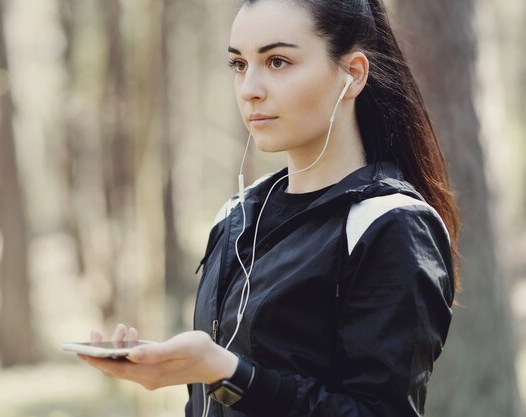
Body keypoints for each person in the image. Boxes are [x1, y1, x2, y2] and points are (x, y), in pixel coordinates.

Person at [77, 0, 459, 416]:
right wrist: (187, 369)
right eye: (239, 65)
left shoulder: (389, 224)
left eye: (277, 62)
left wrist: (228, 374)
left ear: (352, 75)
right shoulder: (236, 218)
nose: (249, 89)